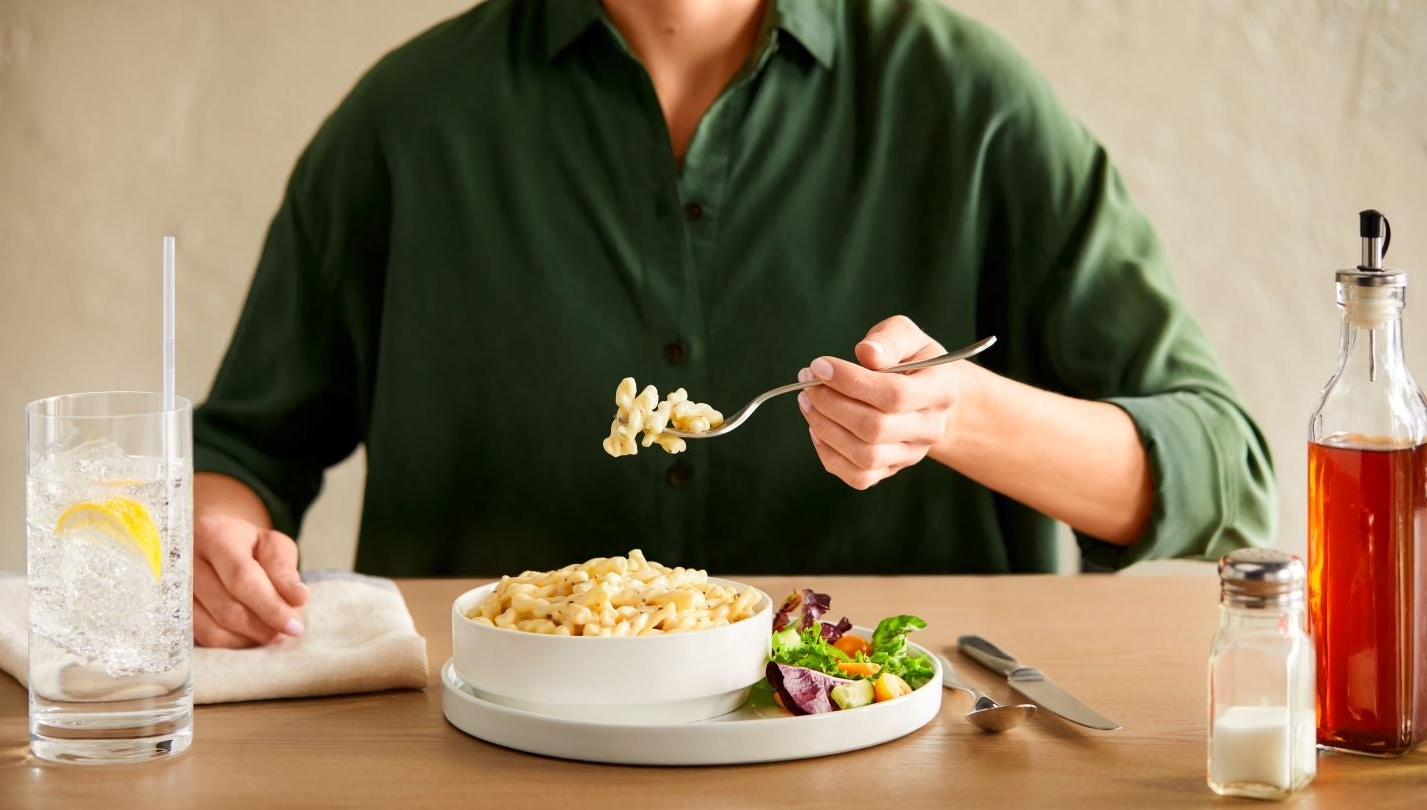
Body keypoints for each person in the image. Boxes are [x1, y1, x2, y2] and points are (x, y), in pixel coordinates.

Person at [190, 0, 1275, 648]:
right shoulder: (410, 118)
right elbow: (241, 451)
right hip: (490, 762)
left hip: (901, 770)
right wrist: (215, 542)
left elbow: (1224, 473)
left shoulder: (968, 101)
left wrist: (959, 415)